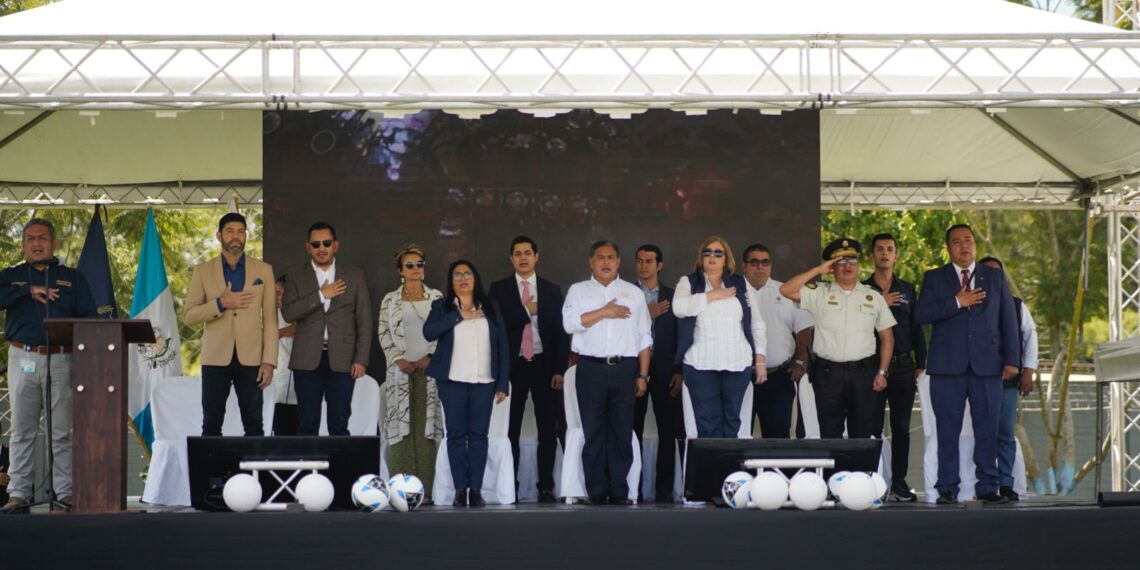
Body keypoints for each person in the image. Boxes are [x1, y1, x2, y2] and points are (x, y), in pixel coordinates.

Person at [915, 224, 1020, 505]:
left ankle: (988, 486)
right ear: (948, 248)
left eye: (969, 240)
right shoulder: (934, 277)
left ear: (975, 245)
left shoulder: (994, 276)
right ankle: (947, 488)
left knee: (988, 429)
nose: (964, 245)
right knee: (947, 430)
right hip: (946, 367)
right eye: (957, 241)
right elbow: (921, 315)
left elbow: (1008, 319)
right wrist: (956, 302)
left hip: (988, 365)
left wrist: (1012, 360)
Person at [0, 218, 96, 512]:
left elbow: (90, 318)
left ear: (54, 243)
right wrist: (27, 291)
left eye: (42, 238)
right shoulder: (12, 276)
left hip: (62, 358)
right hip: (23, 356)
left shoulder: (72, 278)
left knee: (62, 430)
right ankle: (18, 494)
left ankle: (65, 492)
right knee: (21, 429)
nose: (36, 243)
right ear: (23, 245)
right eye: (30, 238)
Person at [562, 241, 652, 505]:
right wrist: (605, 312)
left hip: (625, 368)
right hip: (590, 368)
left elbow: (644, 337)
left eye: (611, 257)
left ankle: (620, 491)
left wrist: (642, 375)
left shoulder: (633, 293)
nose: (606, 262)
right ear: (591, 262)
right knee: (594, 432)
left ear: (618, 261)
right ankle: (596, 491)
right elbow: (569, 324)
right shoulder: (578, 291)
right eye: (600, 257)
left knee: (621, 432)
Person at [780, 238, 895, 439]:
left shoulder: (873, 296)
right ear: (832, 267)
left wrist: (882, 372)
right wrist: (818, 270)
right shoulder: (819, 293)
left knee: (862, 433)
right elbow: (786, 290)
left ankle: (859, 463)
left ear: (859, 265)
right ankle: (835, 463)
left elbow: (887, 338)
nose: (847, 266)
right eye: (840, 262)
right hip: (828, 374)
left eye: (852, 260)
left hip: (863, 373)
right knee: (830, 433)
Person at [488, 236, 570, 503]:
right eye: (518, 254)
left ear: (536, 257)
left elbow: (560, 333)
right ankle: (509, 486)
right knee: (510, 430)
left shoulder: (551, 290)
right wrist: (526, 311)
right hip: (512, 367)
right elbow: (494, 325)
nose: (523, 258)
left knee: (548, 429)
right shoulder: (499, 289)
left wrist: (559, 369)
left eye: (527, 253)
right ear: (511, 259)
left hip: (544, 365)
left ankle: (545, 486)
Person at [424, 260, 510, 507]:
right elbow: (429, 332)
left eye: (467, 274)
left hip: (484, 380)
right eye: (457, 275)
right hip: (452, 380)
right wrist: (458, 316)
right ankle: (460, 490)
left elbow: (503, 345)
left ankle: (476, 490)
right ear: (451, 282)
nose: (462, 278)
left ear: (475, 279)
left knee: (479, 435)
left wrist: (502, 383)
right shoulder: (441, 306)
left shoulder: (491, 306)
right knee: (456, 435)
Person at [184, 212, 277, 437]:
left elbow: (271, 320)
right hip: (215, 357)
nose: (236, 236)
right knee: (211, 424)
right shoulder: (202, 271)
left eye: (241, 231)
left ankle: (253, 463)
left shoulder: (264, 270)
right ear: (219, 236)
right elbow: (189, 315)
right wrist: (220, 303)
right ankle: (211, 463)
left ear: (246, 235)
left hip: (252, 358)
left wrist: (269, 361)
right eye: (230, 231)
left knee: (254, 425)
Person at [280, 222, 372, 436]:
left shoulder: (354, 275)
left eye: (326, 243)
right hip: (306, 359)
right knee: (307, 424)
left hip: (343, 358)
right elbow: (288, 313)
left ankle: (338, 461)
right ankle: (308, 461)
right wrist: (321, 295)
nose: (321, 248)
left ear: (335, 245)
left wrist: (361, 359)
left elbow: (364, 320)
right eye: (316, 244)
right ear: (308, 247)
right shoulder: (295, 275)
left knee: (339, 424)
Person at [672, 236, 767, 438]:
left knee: (732, 422)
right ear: (701, 258)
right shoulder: (689, 282)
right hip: (700, 364)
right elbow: (679, 308)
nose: (712, 256)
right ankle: (711, 460)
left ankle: (729, 460)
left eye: (718, 253)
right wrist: (713, 295)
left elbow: (757, 323)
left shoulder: (741, 283)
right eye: (707, 252)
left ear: (726, 259)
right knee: (707, 424)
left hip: (737, 363)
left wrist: (760, 360)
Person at [862, 233, 926, 502]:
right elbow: (855, 327)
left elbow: (917, 327)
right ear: (872, 255)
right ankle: (871, 481)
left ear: (896, 255)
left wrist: (921, 363)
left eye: (890, 249)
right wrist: (880, 305)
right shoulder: (862, 289)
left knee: (901, 427)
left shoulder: (908, 289)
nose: (885, 253)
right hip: (871, 366)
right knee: (872, 426)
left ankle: (899, 482)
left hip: (903, 366)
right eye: (880, 249)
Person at [377, 244, 443, 491]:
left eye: (420, 264)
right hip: (399, 371)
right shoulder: (390, 300)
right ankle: (401, 489)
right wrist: (398, 359)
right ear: (400, 271)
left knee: (426, 429)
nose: (416, 269)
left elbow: (444, 331)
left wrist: (430, 356)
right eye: (410, 265)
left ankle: (427, 490)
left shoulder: (436, 297)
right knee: (401, 429)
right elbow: (383, 332)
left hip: (430, 370)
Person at [979, 256, 1038, 502]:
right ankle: (984, 485)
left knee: (1005, 433)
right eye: (987, 272)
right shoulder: (969, 301)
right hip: (976, 380)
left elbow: (1030, 336)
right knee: (983, 435)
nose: (992, 277)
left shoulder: (1015, 305)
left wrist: (1028, 370)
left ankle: (1005, 484)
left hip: (1007, 382)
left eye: (997, 272)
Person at [741, 243, 813, 439]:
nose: (760, 267)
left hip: (778, 377)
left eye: (765, 262)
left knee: (778, 436)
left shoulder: (785, 291)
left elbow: (804, 328)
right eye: (754, 262)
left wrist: (800, 361)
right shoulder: (733, 291)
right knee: (738, 436)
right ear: (744, 266)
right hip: (740, 377)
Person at [633, 244, 684, 502]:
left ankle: (664, 491)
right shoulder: (627, 294)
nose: (644, 266)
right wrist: (646, 313)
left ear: (659, 265)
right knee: (632, 429)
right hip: (633, 369)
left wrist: (680, 370)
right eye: (640, 261)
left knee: (668, 430)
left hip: (666, 369)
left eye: (649, 261)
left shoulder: (673, 296)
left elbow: (683, 336)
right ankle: (633, 488)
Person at [272, 276, 299, 436]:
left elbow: (301, 328)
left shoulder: (299, 312)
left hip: (298, 385)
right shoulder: (271, 313)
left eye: (279, 292)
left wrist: (280, 333)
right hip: (278, 382)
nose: (275, 297)